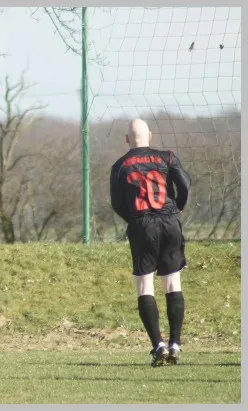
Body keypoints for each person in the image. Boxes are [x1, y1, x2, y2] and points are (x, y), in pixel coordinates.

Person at [110, 119, 191, 367]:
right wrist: (176, 208)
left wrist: (135, 220)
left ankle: (158, 346)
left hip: (141, 223)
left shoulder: (120, 166)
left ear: (127, 139)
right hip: (169, 221)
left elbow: (116, 203)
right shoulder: (167, 157)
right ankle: (175, 344)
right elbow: (185, 184)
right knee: (172, 282)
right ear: (151, 136)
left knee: (145, 285)